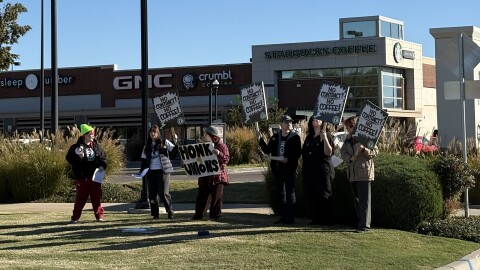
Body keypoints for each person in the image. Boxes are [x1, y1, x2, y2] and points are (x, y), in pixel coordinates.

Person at [258, 115, 301, 224]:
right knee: (281, 192)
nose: (289, 124)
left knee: (290, 192)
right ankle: (283, 216)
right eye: (286, 122)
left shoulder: (295, 137)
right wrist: (260, 140)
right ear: (281, 124)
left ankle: (290, 217)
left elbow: (297, 153)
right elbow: (267, 150)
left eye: (290, 122)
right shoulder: (276, 137)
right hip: (278, 169)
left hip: (290, 168)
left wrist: (288, 159)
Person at [340, 116, 378, 233]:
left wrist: (364, 150)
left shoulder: (365, 137)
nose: (348, 128)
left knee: (364, 200)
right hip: (353, 174)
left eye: (349, 125)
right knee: (357, 200)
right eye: (346, 126)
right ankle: (359, 222)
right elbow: (343, 153)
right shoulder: (347, 139)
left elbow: (375, 151)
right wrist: (349, 158)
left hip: (364, 173)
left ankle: (364, 225)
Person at [66, 124, 107, 224]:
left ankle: (99, 216)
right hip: (82, 177)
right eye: (90, 135)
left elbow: (104, 157)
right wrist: (78, 157)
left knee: (96, 197)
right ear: (85, 135)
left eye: (93, 135)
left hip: (95, 177)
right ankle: (75, 217)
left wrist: (102, 166)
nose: (92, 137)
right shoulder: (76, 147)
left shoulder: (96, 146)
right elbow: (69, 158)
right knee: (81, 198)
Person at [301, 116, 335, 225]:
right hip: (310, 171)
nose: (317, 120)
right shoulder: (309, 137)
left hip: (323, 170)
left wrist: (324, 138)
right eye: (314, 118)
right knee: (312, 194)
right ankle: (316, 218)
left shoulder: (327, 135)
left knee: (324, 194)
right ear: (311, 122)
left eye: (319, 119)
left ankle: (327, 219)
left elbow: (328, 153)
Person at [140, 125, 177, 220]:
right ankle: (155, 214)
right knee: (152, 194)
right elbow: (144, 161)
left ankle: (170, 212)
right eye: (151, 132)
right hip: (151, 172)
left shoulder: (164, 142)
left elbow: (175, 152)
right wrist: (141, 172)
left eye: (155, 132)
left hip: (163, 171)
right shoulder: (147, 146)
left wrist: (176, 142)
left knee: (164, 193)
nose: (153, 133)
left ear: (158, 133)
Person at [192, 126, 230, 220]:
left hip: (217, 176)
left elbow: (226, 159)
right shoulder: (203, 146)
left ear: (213, 136)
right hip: (205, 175)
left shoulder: (222, 146)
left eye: (206, 134)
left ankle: (215, 215)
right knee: (202, 196)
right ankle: (199, 214)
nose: (204, 136)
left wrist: (219, 153)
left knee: (216, 197)